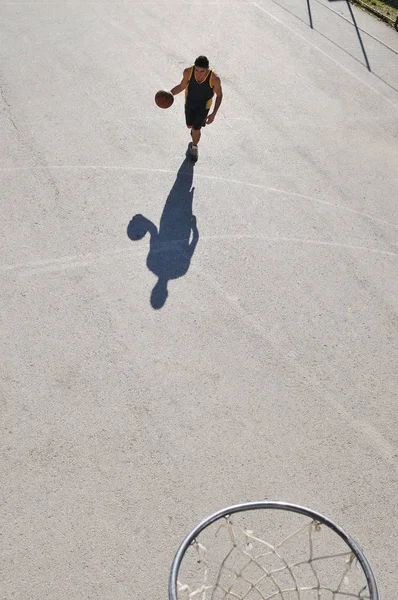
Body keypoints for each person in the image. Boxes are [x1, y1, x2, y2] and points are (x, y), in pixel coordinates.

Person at [170, 56, 223, 161]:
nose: (198, 74)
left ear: (208, 68)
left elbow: (219, 95)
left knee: (196, 128)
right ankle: (194, 132)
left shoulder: (214, 78)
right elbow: (181, 86)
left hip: (203, 107)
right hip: (189, 103)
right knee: (190, 126)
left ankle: (194, 147)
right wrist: (169, 94)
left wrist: (213, 113)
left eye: (202, 71)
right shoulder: (188, 72)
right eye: (197, 70)